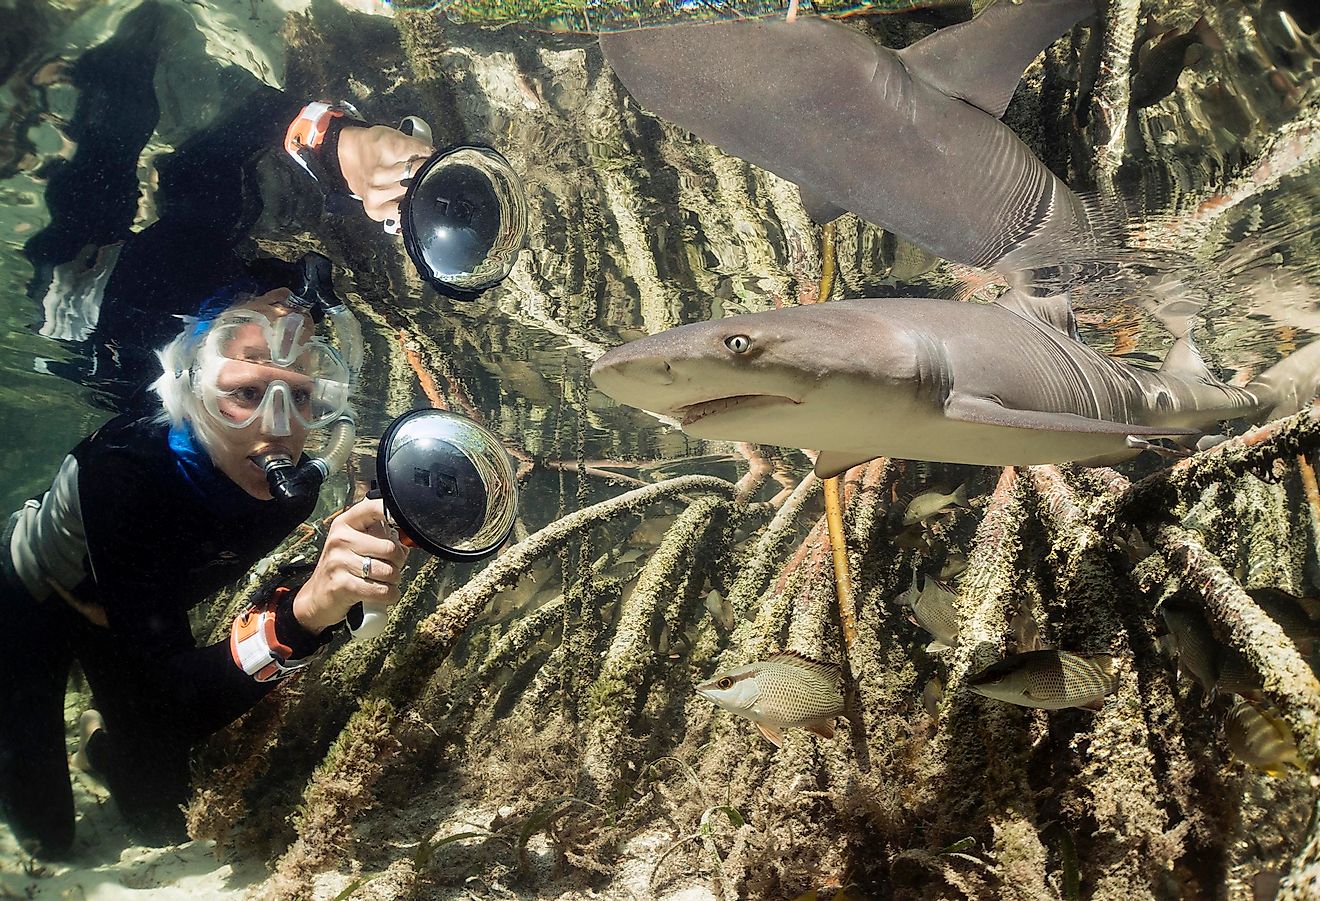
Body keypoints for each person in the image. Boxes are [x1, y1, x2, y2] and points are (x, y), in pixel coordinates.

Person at [0, 283, 410, 858]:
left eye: (301, 399)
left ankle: (100, 744)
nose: (278, 427)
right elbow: (171, 705)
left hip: (137, 612)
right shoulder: (122, 472)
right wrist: (303, 614)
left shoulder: (289, 492)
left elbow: (171, 694)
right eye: (244, 394)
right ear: (189, 391)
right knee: (47, 837)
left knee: (159, 824)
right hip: (33, 596)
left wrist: (334, 592)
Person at [24, 0, 526, 408]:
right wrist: (338, 148)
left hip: (90, 300)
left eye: (248, 392)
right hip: (199, 275)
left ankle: (128, 42)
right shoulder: (279, 304)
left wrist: (329, 144)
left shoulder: (137, 361)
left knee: (109, 155)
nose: (289, 355)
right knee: (210, 191)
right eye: (305, 390)